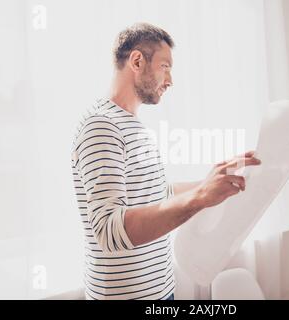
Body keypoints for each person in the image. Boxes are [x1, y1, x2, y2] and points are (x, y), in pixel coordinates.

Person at [71, 23, 261, 300]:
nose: (170, 80)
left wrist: (213, 181)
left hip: (160, 292)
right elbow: (110, 231)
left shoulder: (133, 126)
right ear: (137, 61)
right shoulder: (102, 126)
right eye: (165, 66)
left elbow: (156, 193)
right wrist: (199, 197)